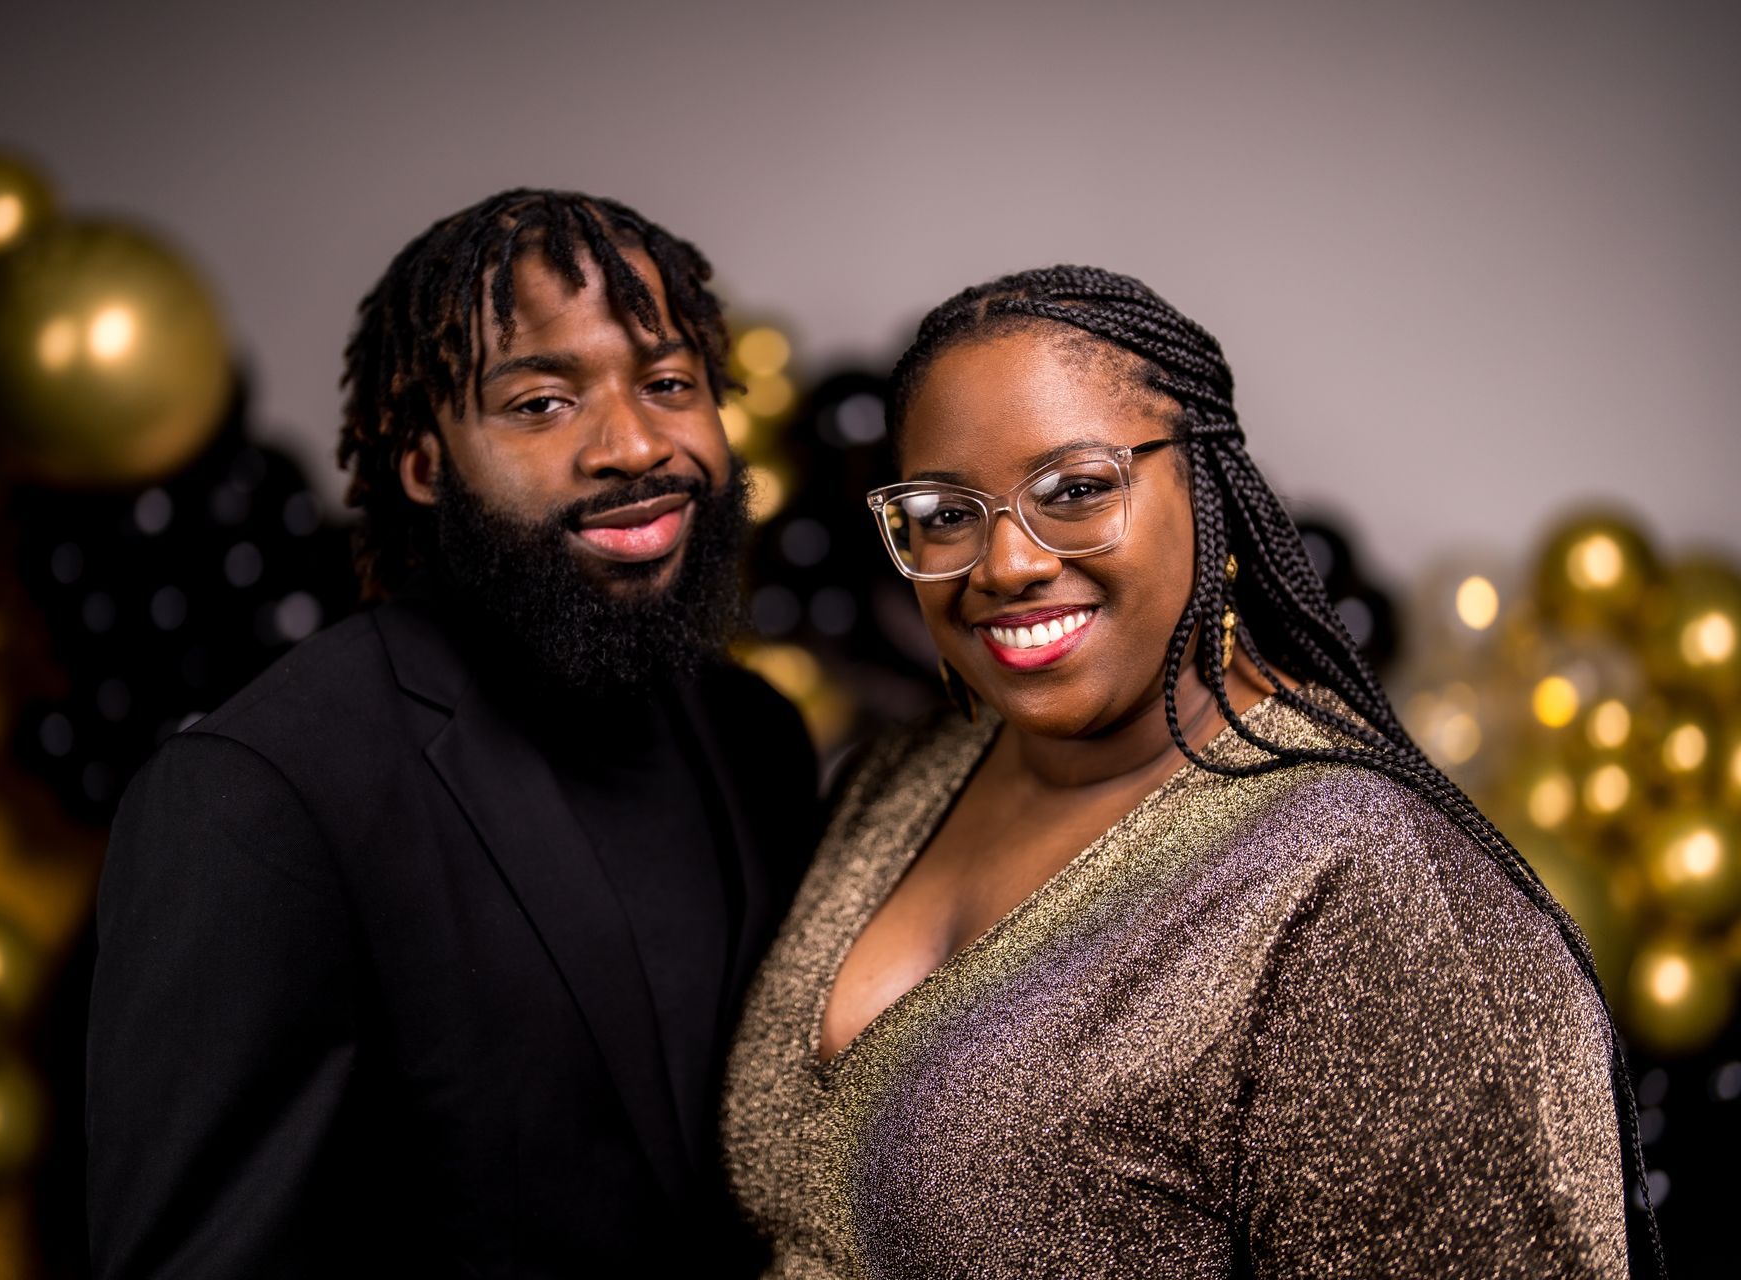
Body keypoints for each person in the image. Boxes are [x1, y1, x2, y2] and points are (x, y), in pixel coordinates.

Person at [720, 266, 1661, 1278]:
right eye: (947, 513)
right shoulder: (901, 774)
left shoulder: (1367, 884)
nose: (1004, 564)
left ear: (1204, 486)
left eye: (1076, 490)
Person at [86, 190, 819, 1277]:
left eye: (670, 385)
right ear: (425, 461)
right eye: (540, 402)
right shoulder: (254, 795)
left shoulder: (758, 737)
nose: (633, 445)